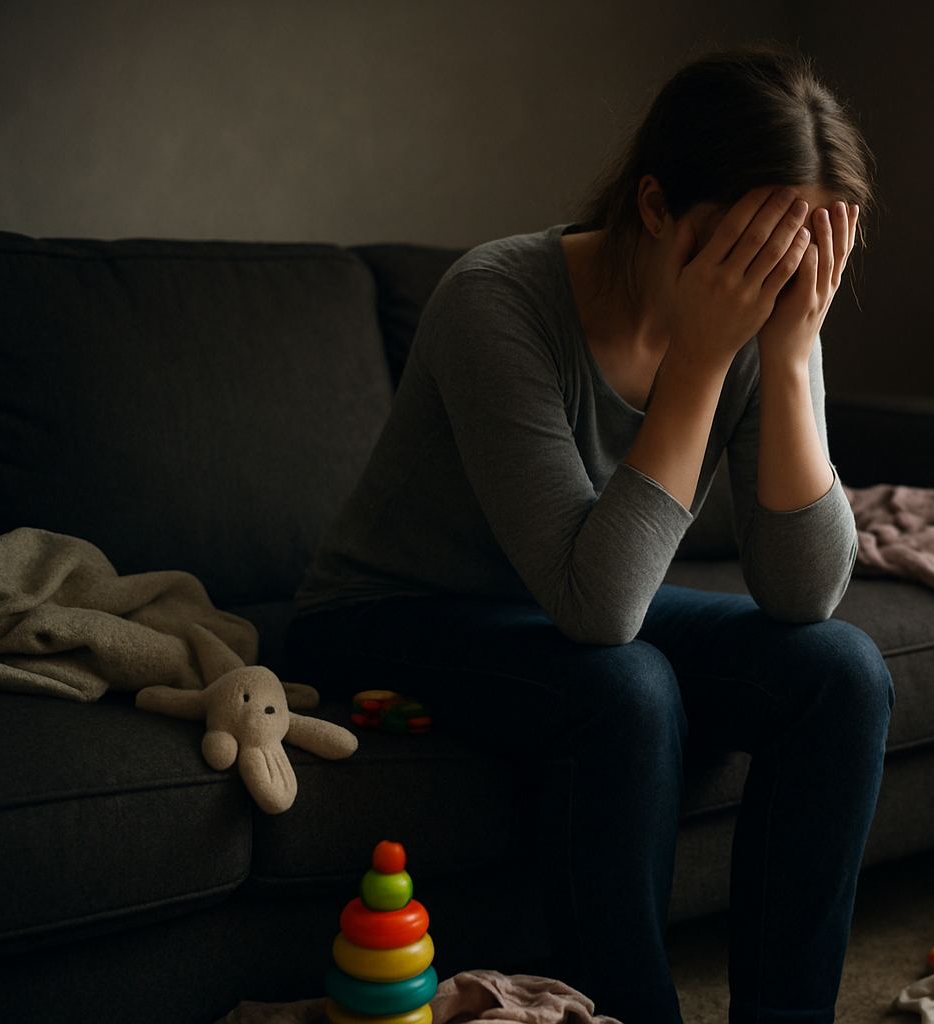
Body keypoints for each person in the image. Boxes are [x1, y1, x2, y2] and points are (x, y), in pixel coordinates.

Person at [284, 46, 894, 1024]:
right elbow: (603, 611)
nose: (770, 277)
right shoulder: (497, 300)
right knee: (626, 686)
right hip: (393, 609)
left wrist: (786, 358)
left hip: (562, 599)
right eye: (746, 247)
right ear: (654, 205)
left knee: (842, 670)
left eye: (797, 250)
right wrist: (702, 354)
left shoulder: (770, 317)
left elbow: (803, 595)